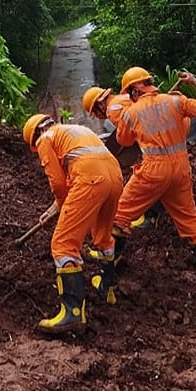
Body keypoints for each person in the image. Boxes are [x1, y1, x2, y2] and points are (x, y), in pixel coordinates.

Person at [107, 67, 196, 279]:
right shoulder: (175, 101)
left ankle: (114, 260)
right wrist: (195, 82)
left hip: (154, 170)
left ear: (136, 90)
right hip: (181, 168)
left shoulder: (131, 113)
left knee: (120, 213)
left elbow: (123, 141)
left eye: (130, 92)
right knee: (189, 216)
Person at [22, 113, 123, 336]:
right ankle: (108, 290)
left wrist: (60, 203)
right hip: (115, 178)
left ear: (35, 134)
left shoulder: (44, 139)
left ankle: (73, 312)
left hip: (90, 179)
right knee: (103, 235)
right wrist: (55, 208)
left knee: (63, 244)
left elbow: (58, 183)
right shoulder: (75, 131)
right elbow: (76, 172)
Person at [83, 85, 160, 230]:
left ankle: (149, 216)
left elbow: (132, 134)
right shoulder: (121, 99)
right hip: (160, 135)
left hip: (153, 144)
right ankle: (155, 212)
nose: (98, 117)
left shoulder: (113, 110)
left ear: (100, 104)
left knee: (145, 179)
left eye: (95, 112)